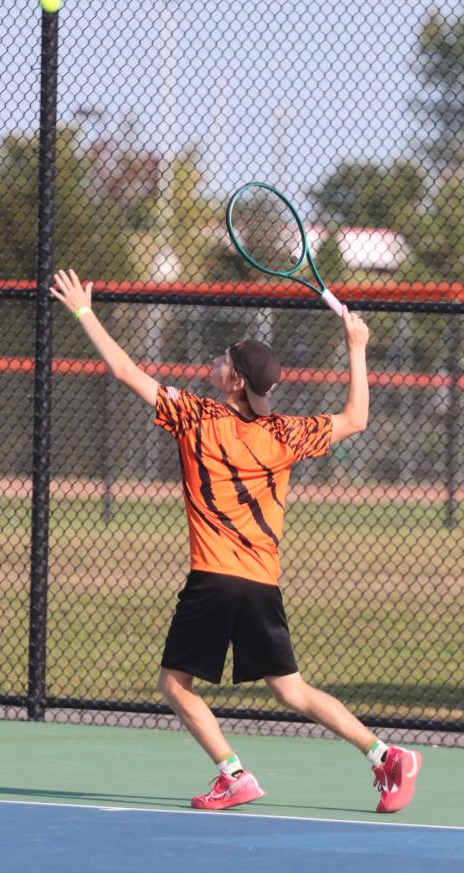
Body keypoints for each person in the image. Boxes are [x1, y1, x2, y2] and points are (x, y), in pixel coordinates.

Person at [50, 268, 422, 814]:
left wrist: (84, 312)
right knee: (291, 691)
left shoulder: (196, 417)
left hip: (216, 580)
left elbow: (125, 370)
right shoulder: (285, 433)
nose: (219, 361)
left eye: (226, 359)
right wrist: (357, 346)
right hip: (260, 587)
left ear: (234, 383)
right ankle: (386, 755)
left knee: (175, 685)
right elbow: (357, 418)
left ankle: (234, 775)